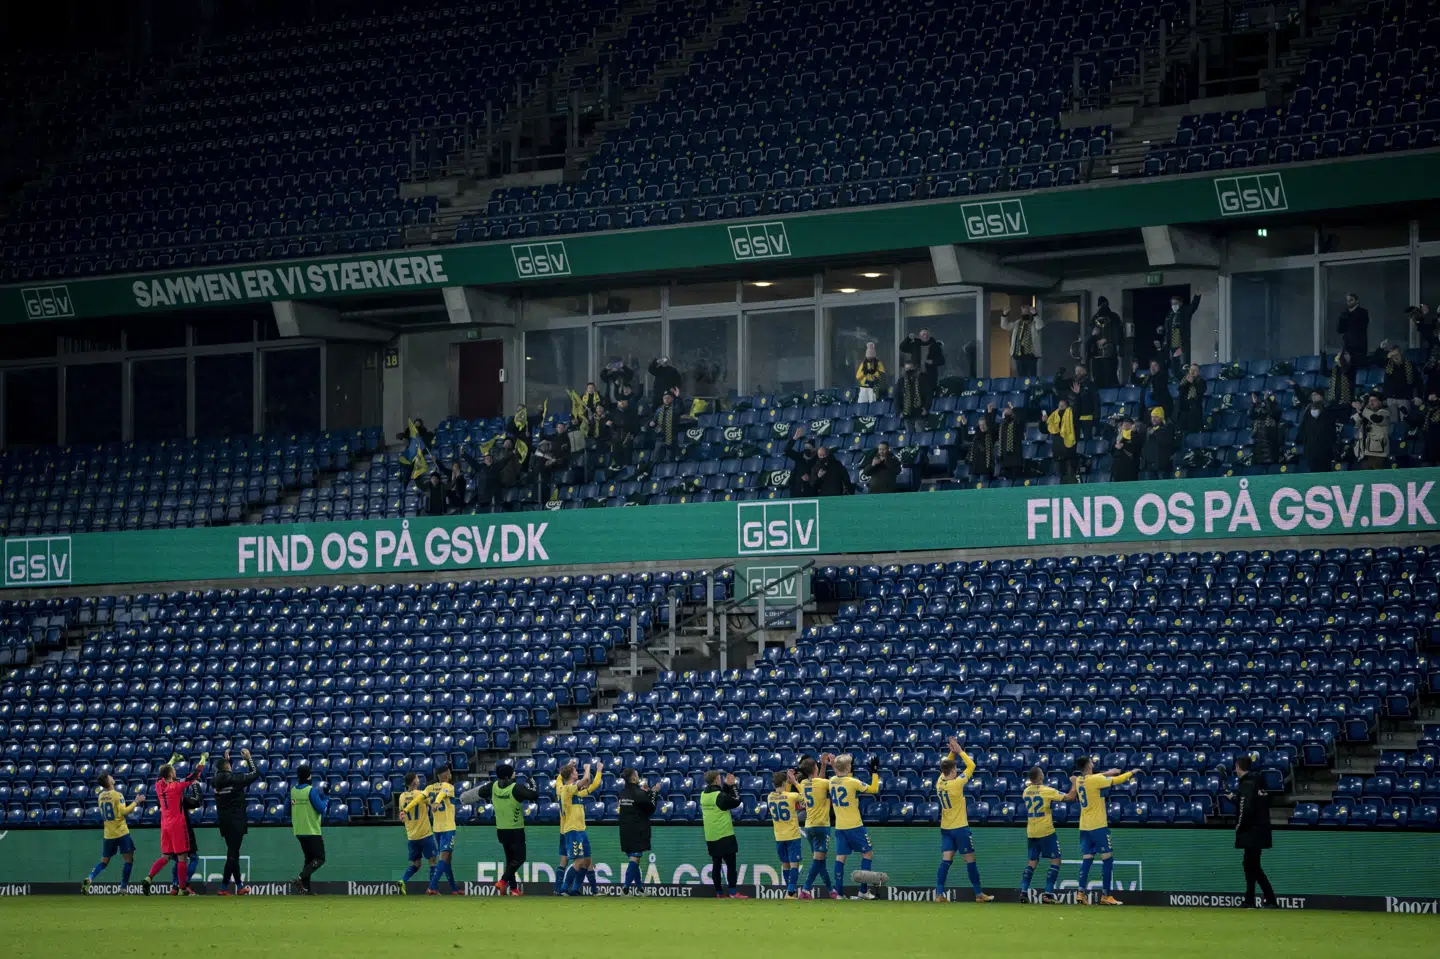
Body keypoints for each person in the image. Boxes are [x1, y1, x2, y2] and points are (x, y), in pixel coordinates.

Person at [461, 762, 540, 896]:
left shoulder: (493, 787)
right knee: (520, 858)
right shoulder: (516, 788)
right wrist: (532, 783)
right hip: (516, 829)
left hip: (501, 830)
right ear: (509, 775)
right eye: (513, 772)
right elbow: (534, 796)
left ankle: (514, 889)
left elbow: (475, 794)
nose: (515, 773)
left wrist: (463, 798)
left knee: (510, 860)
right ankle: (502, 881)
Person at [1071, 757, 1137, 905]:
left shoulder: (1079, 780)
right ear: (1088, 765)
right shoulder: (1095, 780)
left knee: (1087, 859)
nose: (1093, 764)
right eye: (1091, 762)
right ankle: (1106, 895)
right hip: (1098, 826)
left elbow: (1097, 776)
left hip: (1084, 827)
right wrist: (1131, 772)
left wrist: (1109, 772)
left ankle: (1080, 892)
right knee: (1107, 859)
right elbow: (1117, 780)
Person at [142, 752, 207, 896]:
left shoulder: (158, 786)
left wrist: (172, 759)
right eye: (174, 770)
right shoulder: (176, 787)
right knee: (182, 857)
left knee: (166, 857)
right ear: (171, 774)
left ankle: (149, 877)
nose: (175, 771)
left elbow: (162, 773)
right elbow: (193, 776)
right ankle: (182, 888)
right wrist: (202, 760)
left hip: (165, 825)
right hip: (177, 825)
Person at [935, 737, 991, 903]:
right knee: (970, 860)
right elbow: (972, 766)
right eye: (956, 770)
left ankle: (939, 894)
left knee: (946, 860)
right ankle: (979, 894)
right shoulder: (956, 784)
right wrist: (960, 751)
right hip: (960, 828)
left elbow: (946, 766)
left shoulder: (939, 782)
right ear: (952, 772)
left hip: (945, 828)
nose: (957, 771)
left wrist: (951, 752)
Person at [827, 753, 881, 900]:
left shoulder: (831, 781)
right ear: (848, 767)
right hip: (855, 826)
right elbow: (874, 789)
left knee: (840, 858)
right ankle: (863, 891)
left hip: (840, 827)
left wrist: (835, 764)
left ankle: (839, 893)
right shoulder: (853, 782)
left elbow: (839, 775)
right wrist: (875, 772)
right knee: (867, 853)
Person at [1020, 766, 1074, 904]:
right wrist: (1075, 783)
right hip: (1046, 831)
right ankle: (1048, 894)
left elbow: (1032, 791)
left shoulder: (1025, 792)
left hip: (1031, 831)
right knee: (1055, 860)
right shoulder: (1047, 791)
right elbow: (1069, 797)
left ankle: (1024, 892)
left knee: (1032, 862)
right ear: (1039, 777)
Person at [84, 774, 144, 892]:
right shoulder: (117, 795)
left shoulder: (100, 796)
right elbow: (124, 811)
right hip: (121, 832)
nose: (112, 777)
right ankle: (123, 888)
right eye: (110, 776)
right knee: (128, 860)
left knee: (104, 862)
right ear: (109, 781)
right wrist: (136, 802)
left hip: (108, 834)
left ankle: (90, 878)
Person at [1232, 754, 1278, 909]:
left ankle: (1268, 899)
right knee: (1250, 865)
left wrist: (1238, 827)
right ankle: (1250, 899)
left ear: (1238, 767)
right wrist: (1235, 797)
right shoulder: (1258, 783)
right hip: (1260, 829)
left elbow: (1246, 809)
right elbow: (1253, 803)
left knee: (1252, 866)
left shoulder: (1246, 784)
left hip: (1251, 831)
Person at [212, 747, 259, 896]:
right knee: (232, 854)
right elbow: (254, 774)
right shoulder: (235, 780)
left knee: (234, 853)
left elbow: (224, 775)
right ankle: (223, 887)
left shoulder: (215, 781)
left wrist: (227, 761)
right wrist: (249, 758)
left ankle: (239, 886)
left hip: (224, 822)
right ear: (228, 768)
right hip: (236, 821)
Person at [556, 761, 603, 895]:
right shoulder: (567, 789)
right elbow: (586, 780)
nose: (577, 772)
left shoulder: (575, 793)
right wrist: (587, 768)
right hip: (573, 830)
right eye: (575, 771)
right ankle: (565, 888)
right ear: (571, 775)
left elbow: (592, 785)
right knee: (578, 861)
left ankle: (576, 889)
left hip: (581, 830)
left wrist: (599, 771)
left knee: (587, 860)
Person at [700, 770, 747, 899]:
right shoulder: (719, 796)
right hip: (724, 834)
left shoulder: (703, 795)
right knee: (731, 864)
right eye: (720, 779)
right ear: (716, 780)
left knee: (716, 863)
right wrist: (732, 786)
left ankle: (719, 892)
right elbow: (736, 801)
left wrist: (725, 786)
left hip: (711, 835)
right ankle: (733, 892)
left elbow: (721, 798)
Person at [797, 754, 836, 899]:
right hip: (821, 826)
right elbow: (836, 781)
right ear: (815, 767)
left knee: (820, 861)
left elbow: (819, 781)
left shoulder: (803, 784)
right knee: (818, 861)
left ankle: (831, 890)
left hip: (809, 827)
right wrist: (831, 764)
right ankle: (806, 890)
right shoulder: (823, 783)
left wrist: (824, 765)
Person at [617, 768, 661, 895]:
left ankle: (640, 888)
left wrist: (647, 792)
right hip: (637, 829)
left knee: (634, 858)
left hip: (625, 829)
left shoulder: (623, 793)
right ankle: (625, 889)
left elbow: (638, 804)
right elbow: (650, 808)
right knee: (635, 859)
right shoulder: (638, 793)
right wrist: (654, 793)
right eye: (636, 775)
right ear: (634, 778)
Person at [398, 772, 442, 895]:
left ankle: (403, 880)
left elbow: (402, 814)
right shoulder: (421, 794)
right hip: (425, 834)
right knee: (433, 861)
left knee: (416, 864)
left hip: (411, 836)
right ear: (415, 782)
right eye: (417, 778)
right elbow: (433, 805)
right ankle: (432, 888)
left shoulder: (401, 797)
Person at [767, 770, 806, 899]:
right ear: (785, 782)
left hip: (779, 836)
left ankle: (790, 891)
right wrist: (794, 782)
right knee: (794, 863)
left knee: (785, 863)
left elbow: (783, 794)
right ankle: (791, 890)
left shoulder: (769, 797)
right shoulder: (792, 796)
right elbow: (805, 796)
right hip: (793, 835)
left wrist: (787, 782)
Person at [423, 765, 462, 895]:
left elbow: (424, 799)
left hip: (437, 828)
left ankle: (454, 889)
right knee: (444, 858)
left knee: (447, 860)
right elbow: (441, 795)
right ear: (446, 775)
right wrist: (437, 802)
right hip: (448, 827)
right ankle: (432, 886)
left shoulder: (429, 788)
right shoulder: (449, 787)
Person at [290, 764, 327, 895]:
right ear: (309, 775)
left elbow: (286, 809)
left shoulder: (293, 790)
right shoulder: (310, 790)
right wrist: (326, 797)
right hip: (312, 830)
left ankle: (305, 889)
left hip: (299, 830)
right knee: (320, 858)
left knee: (309, 860)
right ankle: (300, 878)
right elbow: (321, 808)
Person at [1293, 386, 1336, 473]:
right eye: (1312, 395)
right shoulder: (1308, 407)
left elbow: (1331, 431)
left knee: (1324, 470)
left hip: (1324, 447)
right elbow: (1302, 398)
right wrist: (1295, 386)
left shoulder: (1328, 408)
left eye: (1316, 395)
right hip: (1310, 446)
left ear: (1321, 396)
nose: (1313, 397)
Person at [1159, 292, 1202, 376]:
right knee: (1174, 370)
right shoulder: (1170, 314)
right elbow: (1167, 328)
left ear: (1180, 303)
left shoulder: (1185, 311)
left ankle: (1187, 383)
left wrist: (1197, 296)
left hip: (1181, 345)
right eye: (1172, 304)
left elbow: (1193, 306)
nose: (1173, 305)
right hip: (1172, 345)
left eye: (1175, 303)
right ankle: (1181, 384)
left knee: (1183, 368)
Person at [900, 328, 945, 408]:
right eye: (923, 334)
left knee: (928, 396)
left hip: (929, 376)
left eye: (927, 334)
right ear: (920, 336)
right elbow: (902, 347)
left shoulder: (935, 345)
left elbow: (942, 360)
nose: (925, 336)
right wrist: (908, 338)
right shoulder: (915, 345)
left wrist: (933, 361)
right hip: (916, 376)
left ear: (929, 335)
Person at [1087, 296, 1123, 388]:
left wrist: (1108, 340)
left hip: (1109, 355)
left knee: (1110, 378)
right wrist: (1093, 335)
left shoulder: (1114, 318)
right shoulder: (1095, 318)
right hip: (1097, 355)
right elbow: (1089, 336)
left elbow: (1119, 334)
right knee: (1099, 380)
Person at [1351, 393, 1393, 469]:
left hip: (1378, 453)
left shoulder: (1385, 412)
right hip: (1363, 452)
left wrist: (1363, 409)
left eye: (1375, 400)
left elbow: (1376, 419)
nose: (1371, 402)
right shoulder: (1365, 412)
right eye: (1370, 400)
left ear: (1380, 402)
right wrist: (1360, 411)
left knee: (1377, 477)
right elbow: (1353, 422)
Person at [1001, 306, 1043, 378]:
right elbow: (1005, 326)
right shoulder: (1017, 323)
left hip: (1031, 355)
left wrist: (1035, 314)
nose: (1025, 315)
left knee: (1032, 376)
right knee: (1021, 376)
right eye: (1023, 313)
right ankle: (1023, 388)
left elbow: (1040, 325)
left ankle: (1032, 388)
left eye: (1026, 313)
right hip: (1019, 355)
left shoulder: (1033, 324)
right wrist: (1004, 315)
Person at [1046, 399, 1078, 485]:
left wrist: (1076, 396)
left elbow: (1077, 408)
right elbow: (1044, 430)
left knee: (1070, 476)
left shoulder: (1071, 415)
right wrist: (1043, 421)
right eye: (1060, 405)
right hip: (1057, 452)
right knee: (1060, 477)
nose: (1061, 406)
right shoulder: (1053, 417)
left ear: (1067, 406)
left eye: (1063, 405)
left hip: (1068, 452)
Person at [1382, 344, 1419, 418]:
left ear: (1401, 354)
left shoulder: (1410, 365)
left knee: (1405, 421)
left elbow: (1418, 381)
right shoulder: (1387, 365)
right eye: (1393, 355)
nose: (1395, 357)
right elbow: (1378, 362)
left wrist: (1418, 396)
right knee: (1392, 422)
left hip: (1404, 398)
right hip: (1391, 398)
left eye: (1397, 354)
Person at [1248, 393, 1284, 467]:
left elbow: (1271, 412)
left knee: (1271, 467)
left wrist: (1266, 399)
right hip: (1258, 446)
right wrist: (1254, 403)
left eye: (1265, 403)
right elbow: (1250, 414)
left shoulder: (1275, 414)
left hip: (1270, 446)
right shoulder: (1258, 415)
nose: (1262, 406)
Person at [783, 427, 817, 498]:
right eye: (805, 447)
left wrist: (810, 478)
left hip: (811, 492)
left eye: (809, 447)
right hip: (797, 491)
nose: (807, 449)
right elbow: (787, 450)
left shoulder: (817, 459)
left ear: (814, 449)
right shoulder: (799, 456)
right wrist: (795, 438)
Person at [1141, 407, 1176, 476]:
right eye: (1152, 417)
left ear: (1161, 418)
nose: (1153, 419)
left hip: (1161, 466)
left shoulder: (1167, 428)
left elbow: (1166, 441)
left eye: (1156, 417)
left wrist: (1155, 432)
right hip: (1148, 465)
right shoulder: (1147, 429)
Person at [1337, 292, 1370, 365]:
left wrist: (1347, 317)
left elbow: (1359, 325)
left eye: (1351, 300)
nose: (1349, 302)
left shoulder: (1363, 312)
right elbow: (1340, 330)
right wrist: (1342, 318)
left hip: (1359, 348)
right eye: (1347, 300)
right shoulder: (1344, 314)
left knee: (1356, 369)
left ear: (1357, 301)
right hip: (1347, 347)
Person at [963, 409, 996, 480]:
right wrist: (965, 425)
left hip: (985, 468)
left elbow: (992, 426)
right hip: (974, 467)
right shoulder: (976, 435)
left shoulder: (991, 435)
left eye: (984, 424)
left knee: (983, 487)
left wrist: (989, 413)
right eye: (980, 425)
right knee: (972, 488)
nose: (982, 426)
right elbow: (967, 437)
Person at [649, 391, 682, 462]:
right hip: (660, 438)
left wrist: (678, 398)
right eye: (664, 398)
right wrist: (652, 424)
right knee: (656, 459)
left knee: (669, 460)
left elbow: (680, 410)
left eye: (668, 398)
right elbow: (654, 421)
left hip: (671, 438)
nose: (666, 400)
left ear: (672, 399)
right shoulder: (659, 409)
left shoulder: (675, 409)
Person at [1070, 364, 1100, 439]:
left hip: (1088, 419)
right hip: (1076, 418)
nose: (1078, 373)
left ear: (1085, 372)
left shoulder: (1091, 385)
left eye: (1080, 370)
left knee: (1087, 440)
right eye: (1077, 371)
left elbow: (1096, 401)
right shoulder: (1073, 384)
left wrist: (1096, 417)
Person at [1175, 364, 1207, 435]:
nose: (1192, 372)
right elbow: (1180, 390)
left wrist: (1193, 382)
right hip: (1183, 412)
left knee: (1192, 433)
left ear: (1198, 372)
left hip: (1194, 413)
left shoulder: (1201, 382)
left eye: (1195, 370)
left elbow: (1201, 391)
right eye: (1191, 370)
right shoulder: (1185, 381)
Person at [995, 404, 1024, 479]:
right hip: (1005, 459)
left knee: (1016, 481)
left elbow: (1020, 417)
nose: (1007, 414)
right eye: (1006, 413)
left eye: (1009, 413)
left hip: (1015, 458)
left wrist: (1013, 408)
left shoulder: (1017, 424)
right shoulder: (1002, 426)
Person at [1109, 416, 1141, 482]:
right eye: (1124, 425)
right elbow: (1110, 450)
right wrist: (1117, 443)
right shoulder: (1118, 436)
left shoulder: (1135, 435)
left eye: (1128, 425)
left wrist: (1123, 446)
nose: (1125, 427)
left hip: (1129, 468)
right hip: (1117, 468)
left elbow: (1135, 448)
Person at [897, 359, 927, 426]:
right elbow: (897, 397)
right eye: (907, 368)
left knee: (919, 434)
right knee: (908, 435)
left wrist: (926, 408)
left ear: (914, 368)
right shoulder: (901, 381)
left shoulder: (921, 379)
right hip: (907, 414)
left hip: (919, 413)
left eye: (911, 368)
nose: (909, 370)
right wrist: (899, 412)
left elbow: (928, 395)